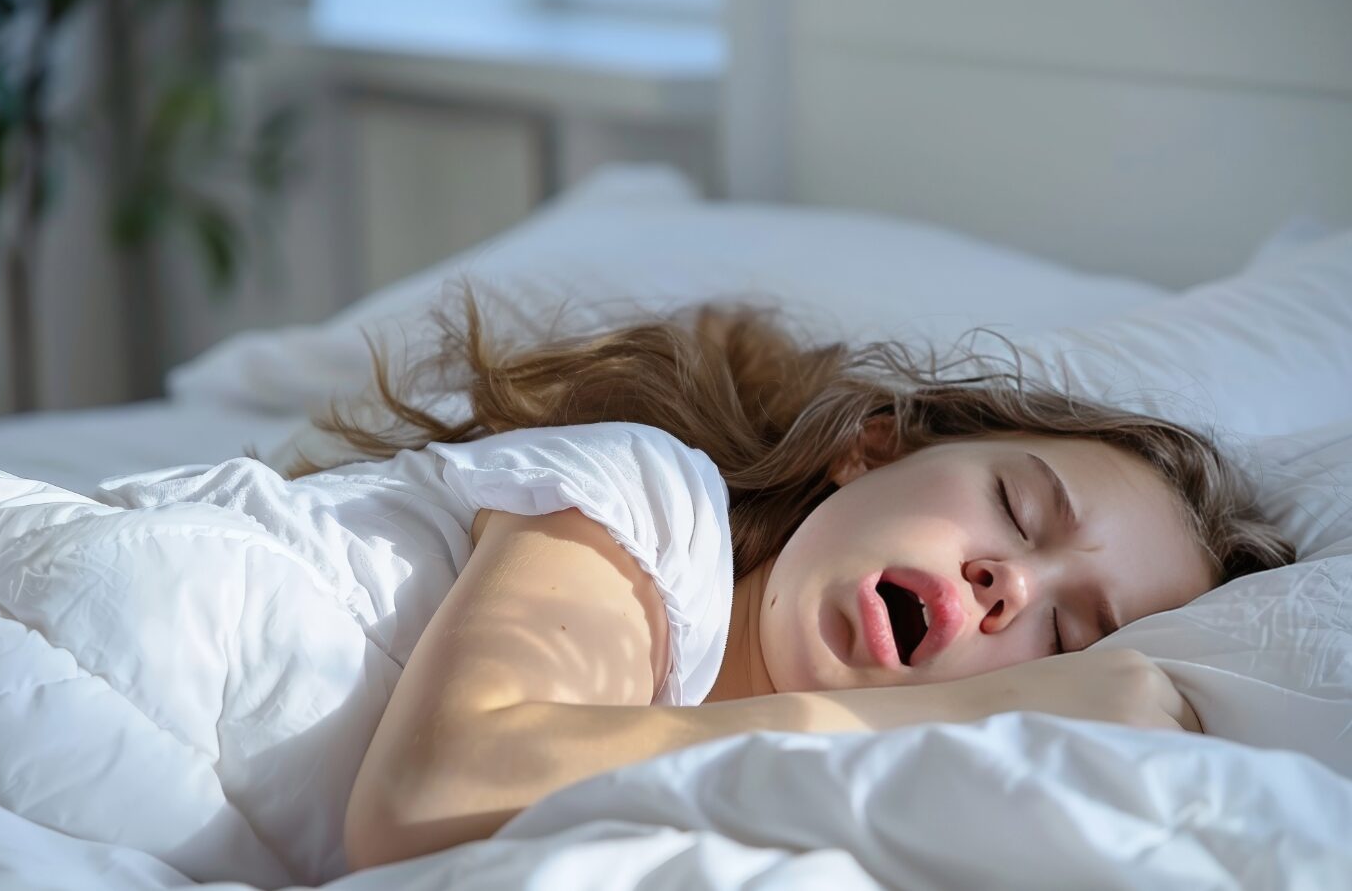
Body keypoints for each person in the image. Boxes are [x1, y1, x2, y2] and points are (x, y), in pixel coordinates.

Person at [306, 287, 1294, 870]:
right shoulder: (649, 502)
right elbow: (427, 797)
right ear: (871, 451)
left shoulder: (770, 796)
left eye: (1070, 633)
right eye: (1017, 507)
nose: (1010, 585)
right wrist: (1006, 695)